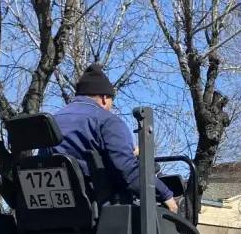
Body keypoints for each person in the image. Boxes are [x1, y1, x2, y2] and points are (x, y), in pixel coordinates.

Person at [51, 63, 177, 212]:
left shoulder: (51, 122)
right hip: (96, 214)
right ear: (105, 98)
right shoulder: (107, 121)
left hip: (49, 212)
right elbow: (127, 171)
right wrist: (165, 195)